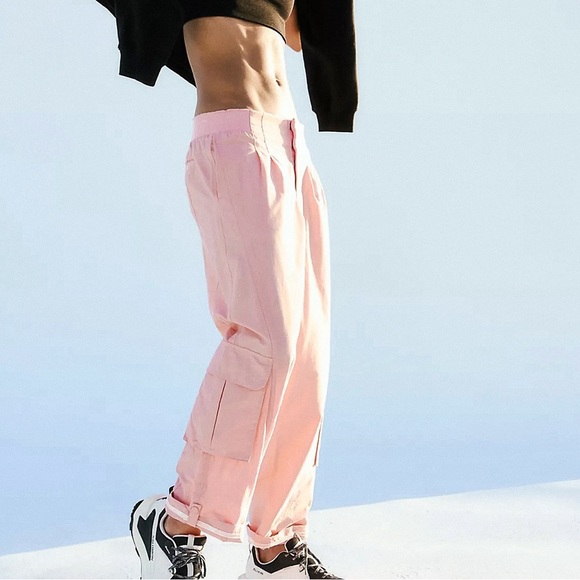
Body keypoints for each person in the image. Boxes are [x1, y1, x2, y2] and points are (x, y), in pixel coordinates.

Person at [95, 0, 357, 577]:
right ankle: (176, 520)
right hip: (234, 143)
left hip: (291, 147)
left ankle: (276, 544)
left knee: (308, 358)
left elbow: (297, 34)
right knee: (267, 344)